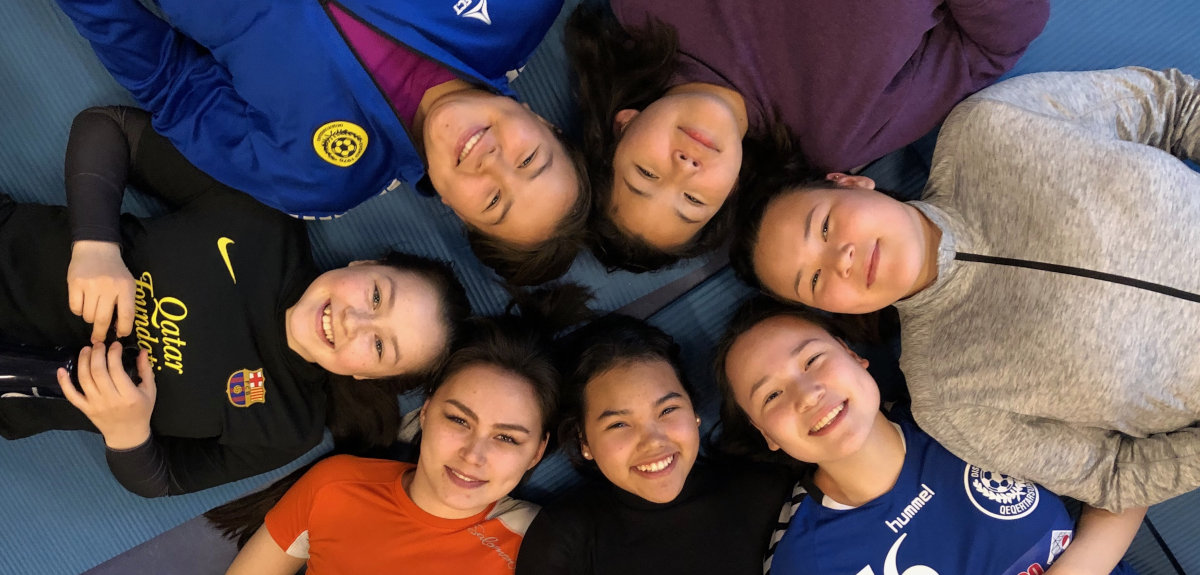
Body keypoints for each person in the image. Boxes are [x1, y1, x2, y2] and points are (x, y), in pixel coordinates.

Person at [731, 67, 1200, 512]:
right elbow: (1111, 475)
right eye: (814, 281)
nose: (841, 260)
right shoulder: (947, 396)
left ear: (850, 183)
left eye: (826, 227)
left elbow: (1174, 105)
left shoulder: (988, 127)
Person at [0, 106, 471, 497]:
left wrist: (127, 432)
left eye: (380, 346)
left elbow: (163, 480)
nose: (354, 321)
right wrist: (95, 244)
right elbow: (109, 127)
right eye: (376, 295)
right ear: (364, 264)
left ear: (368, 376)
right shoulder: (262, 218)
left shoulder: (288, 429)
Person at [52, 0, 589, 285]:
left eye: (493, 201)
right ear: (547, 124)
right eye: (530, 159)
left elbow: (171, 84)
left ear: (455, 211)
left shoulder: (316, 178)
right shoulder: (520, 9)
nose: (495, 164)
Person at [565, 0, 1047, 271]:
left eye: (646, 174)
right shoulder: (836, 135)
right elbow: (984, 52)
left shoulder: (642, 9)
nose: (684, 168)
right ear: (730, 191)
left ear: (623, 124)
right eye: (693, 200)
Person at [716, 298, 1141, 575]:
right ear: (766, 434)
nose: (807, 395)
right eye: (771, 395)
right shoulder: (805, 562)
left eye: (812, 359)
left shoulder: (963, 406)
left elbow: (1129, 469)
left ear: (853, 355)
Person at [206, 311, 564, 575]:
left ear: (536, 452)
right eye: (458, 420)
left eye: (506, 438)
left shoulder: (543, 545)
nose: (473, 455)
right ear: (426, 412)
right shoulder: (336, 485)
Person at [515, 315, 793, 575]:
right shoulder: (563, 538)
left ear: (694, 411)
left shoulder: (770, 492)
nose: (653, 441)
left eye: (667, 410)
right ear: (583, 441)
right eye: (618, 424)